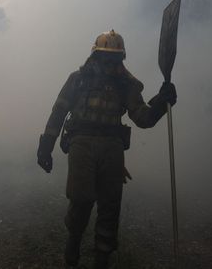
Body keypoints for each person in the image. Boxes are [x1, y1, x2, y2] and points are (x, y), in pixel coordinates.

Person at [37, 30, 177, 268]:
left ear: (121, 58)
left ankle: (102, 258)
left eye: (114, 59)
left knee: (110, 204)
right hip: (81, 142)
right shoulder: (78, 79)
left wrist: (161, 103)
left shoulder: (127, 85)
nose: (108, 64)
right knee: (81, 199)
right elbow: (59, 110)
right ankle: (73, 243)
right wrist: (45, 146)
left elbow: (142, 117)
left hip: (112, 147)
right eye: (104, 57)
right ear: (95, 56)